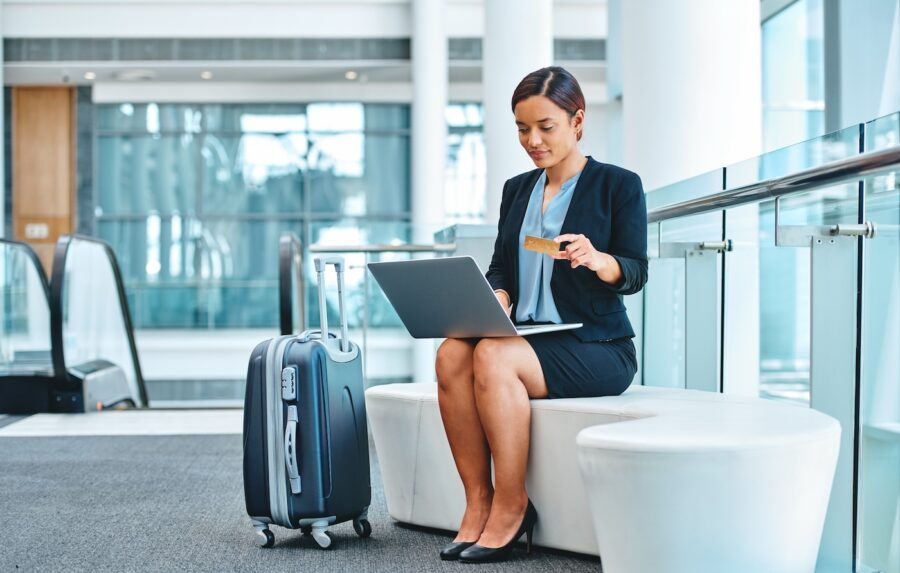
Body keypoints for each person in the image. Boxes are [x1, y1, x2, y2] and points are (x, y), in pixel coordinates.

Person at [435, 66, 648, 564]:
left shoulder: (617, 186)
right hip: (526, 338)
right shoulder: (517, 189)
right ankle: (478, 500)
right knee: (450, 355)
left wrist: (601, 261)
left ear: (577, 121)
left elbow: (636, 272)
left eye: (545, 127)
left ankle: (513, 505)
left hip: (597, 347)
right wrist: (500, 295)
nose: (532, 140)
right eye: (522, 128)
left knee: (492, 356)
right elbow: (500, 267)